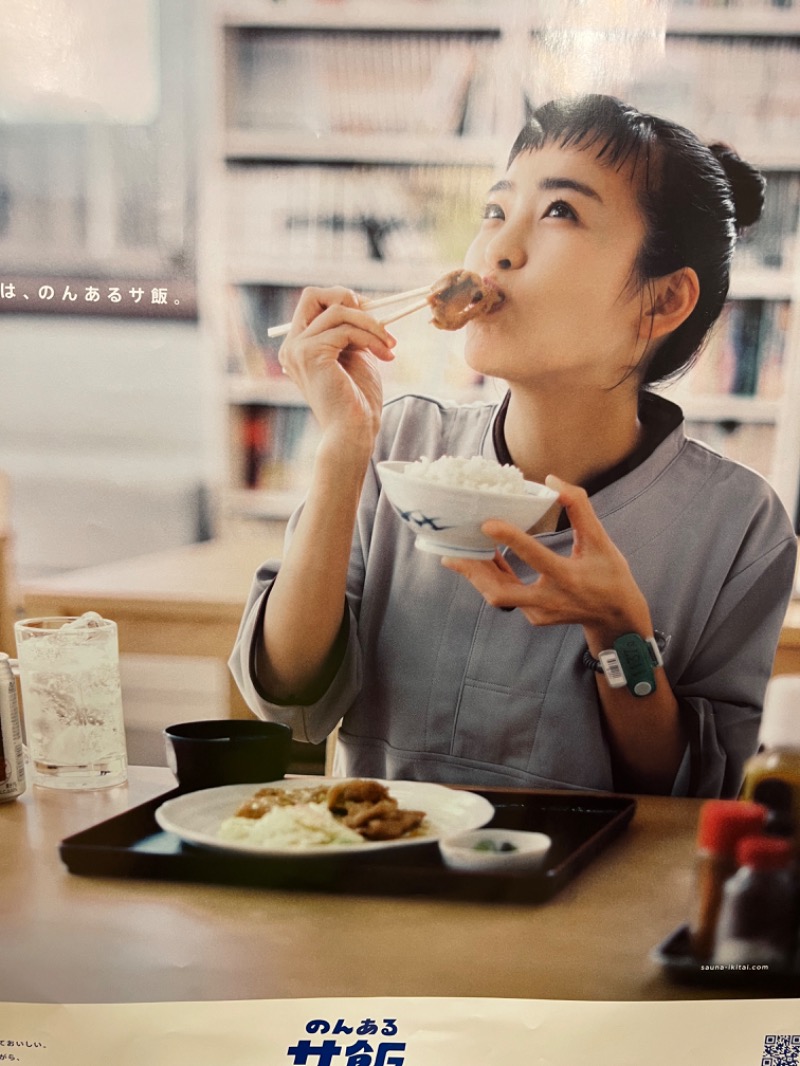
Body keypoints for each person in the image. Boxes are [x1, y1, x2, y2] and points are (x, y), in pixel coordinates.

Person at [229, 94, 798, 798]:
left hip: (598, 902)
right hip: (383, 882)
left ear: (663, 301)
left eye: (560, 212)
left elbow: (692, 793)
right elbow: (288, 697)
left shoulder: (740, 525)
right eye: (495, 211)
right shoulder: (398, 442)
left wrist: (619, 633)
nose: (498, 248)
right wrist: (344, 448)